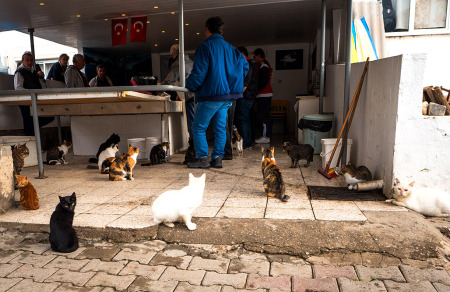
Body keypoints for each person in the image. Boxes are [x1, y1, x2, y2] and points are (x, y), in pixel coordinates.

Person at [185, 16, 248, 169]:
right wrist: (231, 81)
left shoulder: (205, 47)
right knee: (220, 128)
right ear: (220, 30)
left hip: (210, 95)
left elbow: (198, 74)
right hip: (227, 98)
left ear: (207, 30)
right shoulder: (232, 49)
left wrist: (189, 84)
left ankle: (202, 159)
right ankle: (217, 158)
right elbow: (244, 67)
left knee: (198, 127)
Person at [161, 44, 196, 164]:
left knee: (192, 124)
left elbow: (168, 81)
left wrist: (159, 89)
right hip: (198, 95)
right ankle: (198, 150)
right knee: (199, 124)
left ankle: (193, 149)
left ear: (173, 54)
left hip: (189, 97)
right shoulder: (191, 62)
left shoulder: (177, 64)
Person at [14, 51, 53, 135]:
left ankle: (35, 143)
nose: (29, 62)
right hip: (25, 102)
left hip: (35, 100)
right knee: (29, 123)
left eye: (31, 60)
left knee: (43, 119)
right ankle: (31, 144)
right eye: (27, 60)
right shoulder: (19, 72)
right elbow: (18, 88)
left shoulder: (33, 72)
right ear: (22, 61)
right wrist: (31, 92)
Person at [234, 46, 258, 149]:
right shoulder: (250, 64)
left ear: (242, 54)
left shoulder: (247, 65)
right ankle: (247, 142)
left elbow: (245, 84)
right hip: (249, 97)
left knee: (242, 119)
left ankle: (245, 143)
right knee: (245, 119)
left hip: (246, 97)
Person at [253, 48, 273, 144]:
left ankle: (265, 137)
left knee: (263, 116)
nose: (254, 58)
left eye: (255, 56)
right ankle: (264, 136)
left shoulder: (263, 65)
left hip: (264, 94)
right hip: (263, 94)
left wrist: (255, 89)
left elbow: (262, 82)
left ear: (259, 55)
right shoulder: (263, 65)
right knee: (263, 115)